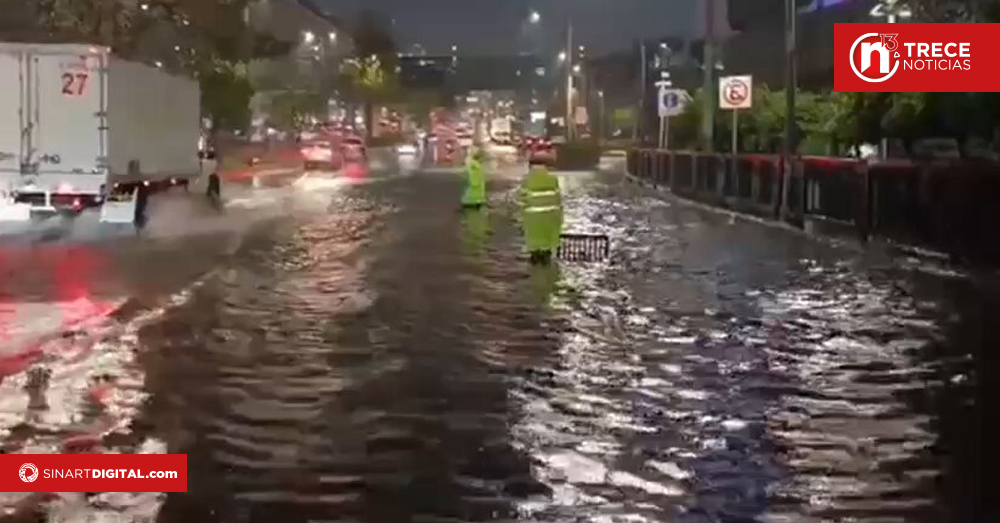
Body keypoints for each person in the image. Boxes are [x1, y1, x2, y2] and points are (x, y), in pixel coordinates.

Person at [521, 156, 563, 265]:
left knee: (534, 244)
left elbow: (522, 200)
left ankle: (535, 264)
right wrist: (559, 218)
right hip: (550, 216)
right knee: (547, 245)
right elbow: (558, 200)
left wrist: (521, 217)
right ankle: (546, 264)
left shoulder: (526, 180)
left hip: (532, 218)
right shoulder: (553, 179)